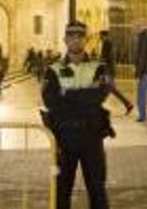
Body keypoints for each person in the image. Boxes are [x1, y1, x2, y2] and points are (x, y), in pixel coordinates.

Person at [41, 21, 114, 209]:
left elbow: (99, 96)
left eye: (80, 36)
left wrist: (68, 94)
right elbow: (51, 102)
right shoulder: (53, 69)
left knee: (97, 189)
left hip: (92, 136)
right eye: (71, 36)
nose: (76, 40)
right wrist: (85, 94)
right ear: (65, 39)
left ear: (86, 39)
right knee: (62, 190)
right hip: (64, 139)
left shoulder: (99, 67)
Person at [97, 30, 134, 115]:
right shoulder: (110, 43)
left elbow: (104, 58)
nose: (100, 38)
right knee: (105, 88)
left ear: (103, 35)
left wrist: (96, 62)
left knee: (109, 88)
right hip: (109, 69)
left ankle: (128, 104)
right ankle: (127, 104)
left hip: (108, 70)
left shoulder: (106, 43)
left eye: (100, 36)